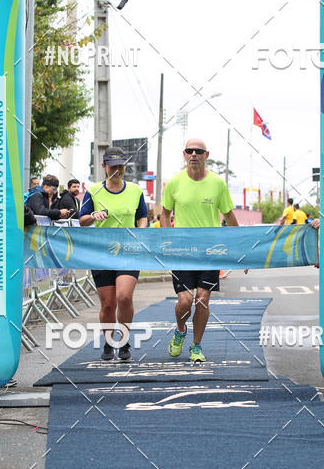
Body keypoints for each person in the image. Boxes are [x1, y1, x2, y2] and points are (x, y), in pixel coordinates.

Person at [160, 137, 244, 364]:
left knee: (203, 299)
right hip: (181, 251)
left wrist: (242, 251)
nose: (194, 154)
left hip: (210, 251)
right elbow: (165, 214)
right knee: (186, 301)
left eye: (198, 151)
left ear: (206, 155)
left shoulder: (217, 184)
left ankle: (196, 346)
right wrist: (166, 240)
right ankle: (180, 330)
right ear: (184, 154)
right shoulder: (174, 183)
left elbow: (229, 217)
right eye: (190, 150)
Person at [79, 147, 148, 362]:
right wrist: (92, 216)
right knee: (108, 304)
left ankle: (124, 340)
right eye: (112, 166)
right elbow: (82, 220)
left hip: (128, 252)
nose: (116, 170)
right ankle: (109, 342)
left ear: (125, 167)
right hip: (101, 253)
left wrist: (141, 232)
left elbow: (142, 216)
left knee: (124, 296)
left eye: (120, 166)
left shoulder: (136, 190)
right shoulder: (93, 191)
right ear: (103, 167)